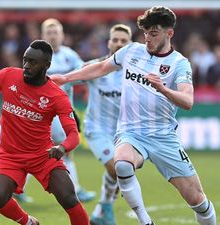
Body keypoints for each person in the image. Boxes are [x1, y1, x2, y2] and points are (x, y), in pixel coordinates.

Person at [51, 6, 217, 225]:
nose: (148, 38)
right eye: (146, 32)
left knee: (197, 199)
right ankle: (144, 221)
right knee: (121, 164)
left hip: (164, 137)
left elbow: (188, 101)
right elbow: (100, 67)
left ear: (169, 33)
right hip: (131, 133)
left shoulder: (179, 63)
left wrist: (164, 89)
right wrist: (65, 78)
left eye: (154, 33)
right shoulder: (132, 52)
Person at [0, 40, 90, 225]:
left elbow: (73, 135)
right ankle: (29, 222)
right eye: (25, 60)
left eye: (33, 62)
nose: (26, 66)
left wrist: (62, 148)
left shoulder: (57, 96)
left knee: (69, 199)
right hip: (10, 156)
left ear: (47, 65)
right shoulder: (9, 75)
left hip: (42, 156)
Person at [14, 18, 96, 203]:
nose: (53, 36)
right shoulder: (35, 54)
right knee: (37, 151)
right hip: (39, 112)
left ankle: (18, 188)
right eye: (49, 33)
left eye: (56, 32)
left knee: (63, 151)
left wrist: (79, 85)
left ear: (62, 35)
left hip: (62, 112)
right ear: (43, 36)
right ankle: (73, 190)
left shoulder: (70, 55)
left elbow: (85, 74)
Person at [83, 24, 132, 225]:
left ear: (130, 45)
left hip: (124, 132)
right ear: (109, 42)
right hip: (97, 129)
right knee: (114, 169)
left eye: (124, 41)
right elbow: (67, 81)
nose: (119, 43)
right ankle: (106, 206)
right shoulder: (95, 67)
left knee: (122, 172)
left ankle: (99, 212)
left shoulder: (135, 71)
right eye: (116, 39)